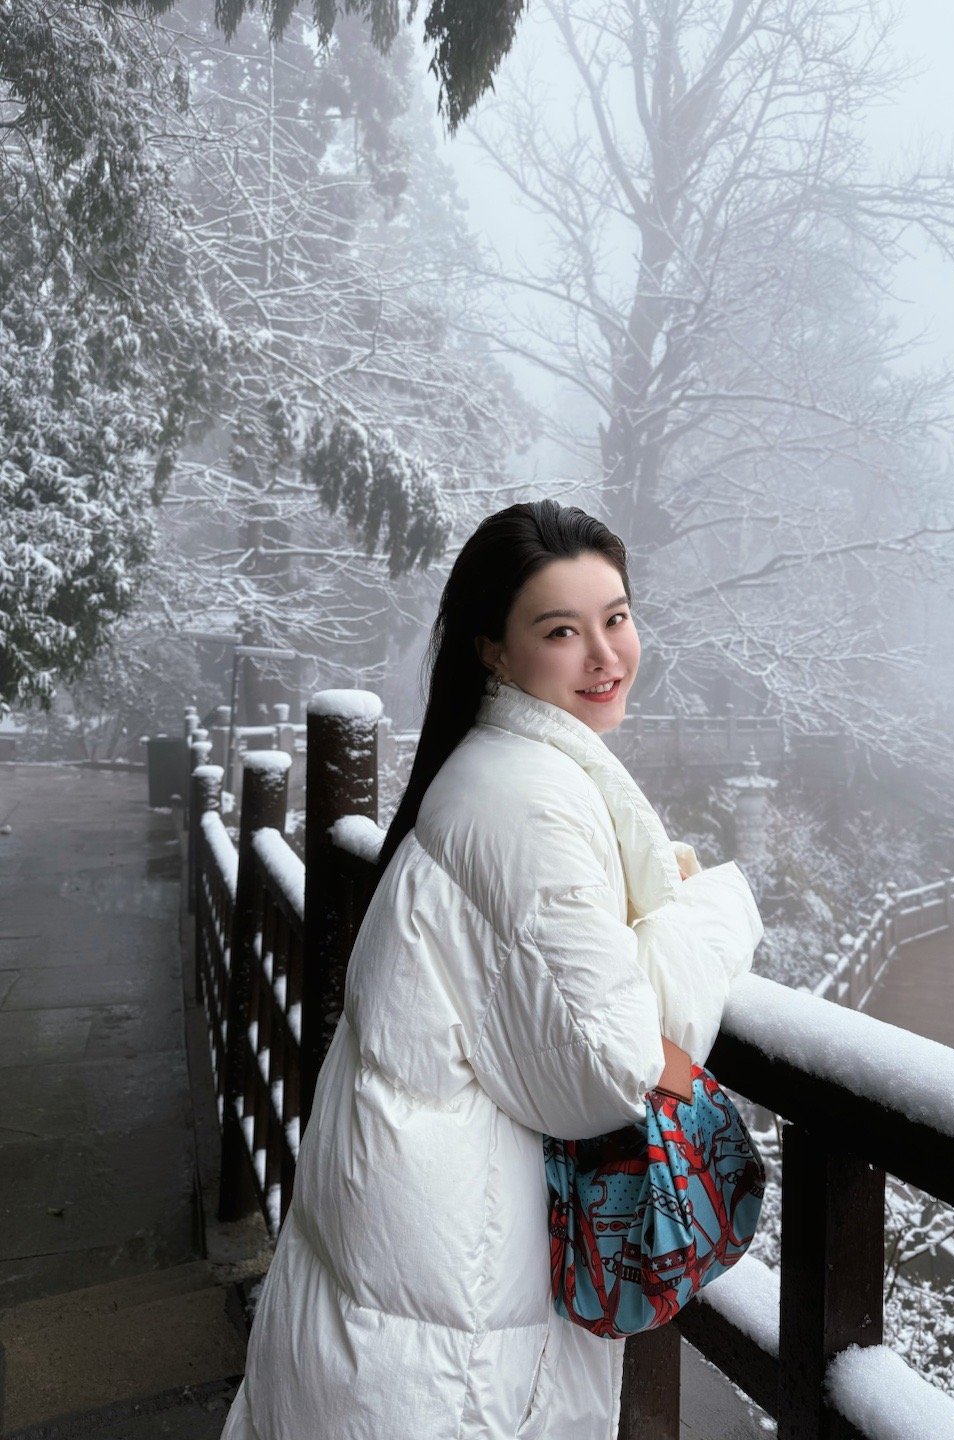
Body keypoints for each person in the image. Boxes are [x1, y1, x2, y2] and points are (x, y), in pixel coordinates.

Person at [220, 500, 764, 1440]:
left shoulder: (488, 770)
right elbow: (607, 1065)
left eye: (617, 617)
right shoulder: (526, 801)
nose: (605, 655)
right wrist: (719, 908)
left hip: (406, 1261)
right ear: (494, 651)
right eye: (562, 630)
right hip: (448, 1305)